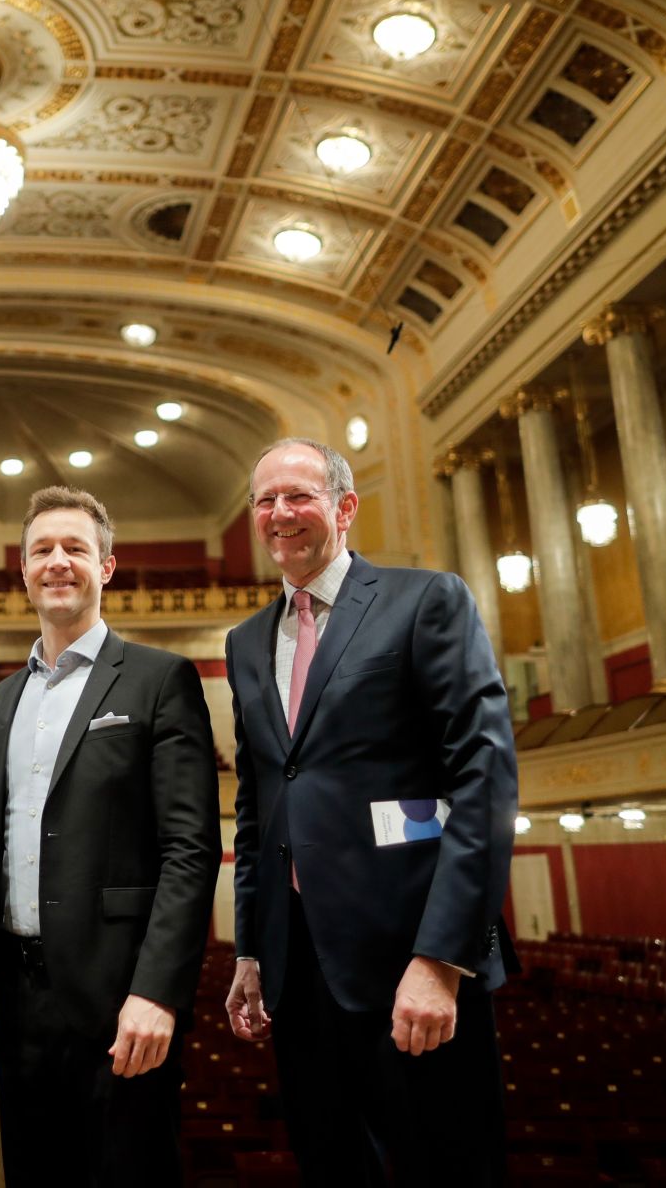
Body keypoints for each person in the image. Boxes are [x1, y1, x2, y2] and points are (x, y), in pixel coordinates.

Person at [222, 438, 518, 1186]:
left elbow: (480, 782)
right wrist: (254, 948)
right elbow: (260, 804)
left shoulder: (426, 600)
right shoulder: (246, 641)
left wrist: (441, 958)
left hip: (411, 962)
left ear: (345, 507)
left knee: (445, 1169)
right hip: (300, 973)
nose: (280, 513)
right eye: (265, 501)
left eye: (298, 495)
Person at [0, 486, 222, 1186]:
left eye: (75, 548)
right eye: (41, 550)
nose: (57, 562)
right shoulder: (4, 698)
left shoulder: (159, 679)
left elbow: (190, 850)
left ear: (106, 567)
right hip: (16, 1000)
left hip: (119, 997)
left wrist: (158, 993)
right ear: (22, 571)